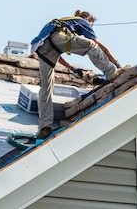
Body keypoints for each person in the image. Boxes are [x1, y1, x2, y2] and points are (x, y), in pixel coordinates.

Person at [31, 10, 127, 140]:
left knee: (46, 88)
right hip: (57, 39)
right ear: (88, 19)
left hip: (42, 48)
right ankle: (112, 73)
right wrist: (116, 64)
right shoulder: (82, 21)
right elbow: (97, 44)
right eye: (92, 25)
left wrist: (73, 69)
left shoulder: (61, 23)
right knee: (91, 45)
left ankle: (44, 126)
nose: (91, 28)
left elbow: (55, 52)